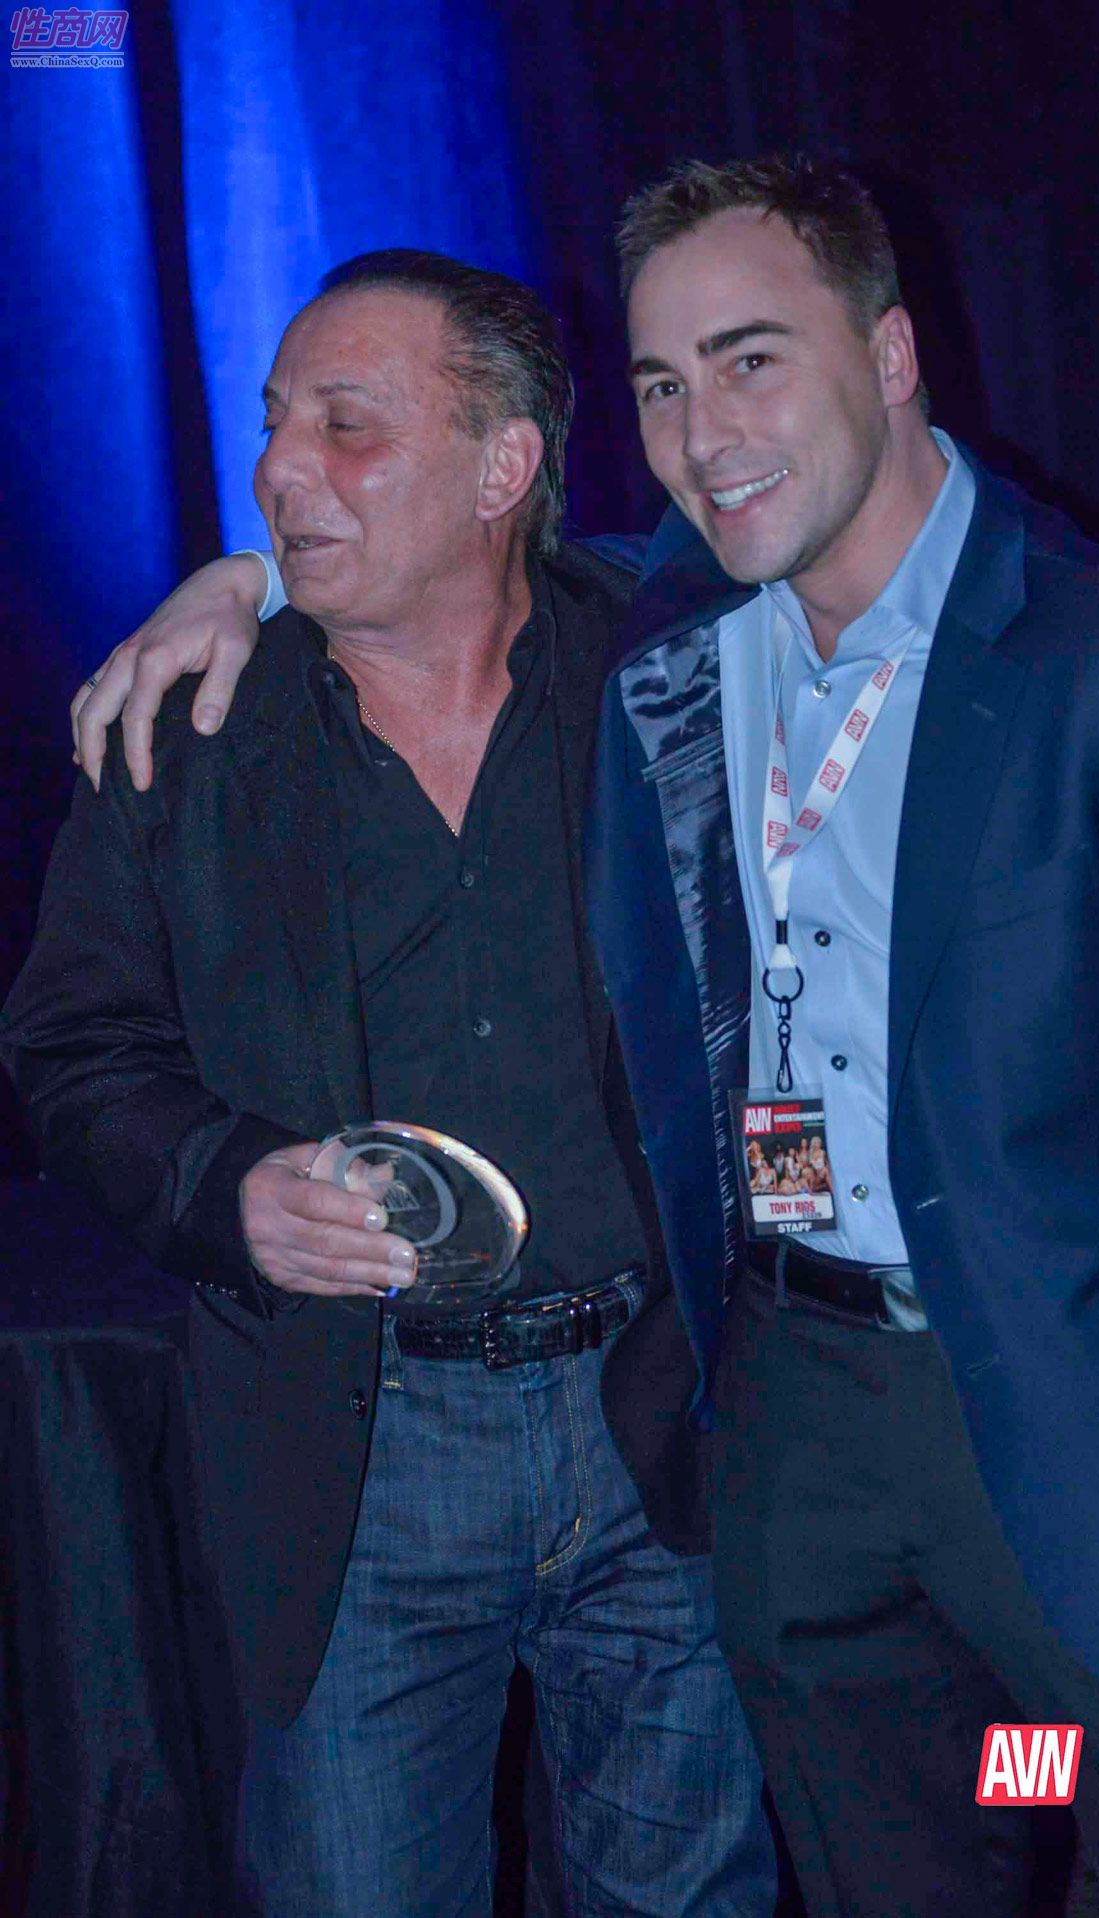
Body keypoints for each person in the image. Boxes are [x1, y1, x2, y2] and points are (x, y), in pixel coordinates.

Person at [61, 159, 1099, 1916]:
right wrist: (241, 579)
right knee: (897, 1852)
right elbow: (82, 1037)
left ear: (892, 353)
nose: (705, 435)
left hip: (1013, 1426)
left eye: (751, 361)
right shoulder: (669, 629)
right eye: (661, 384)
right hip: (739, 1440)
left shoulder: (1096, 661)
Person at [1, 250, 774, 1918]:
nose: (282, 470)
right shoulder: (181, 731)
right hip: (357, 1453)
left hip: (663, 1423)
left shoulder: (672, 663)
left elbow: (864, 524)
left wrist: (230, 573)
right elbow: (67, 1049)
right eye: (274, 425)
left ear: (504, 466)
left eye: (346, 427)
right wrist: (222, 1184)